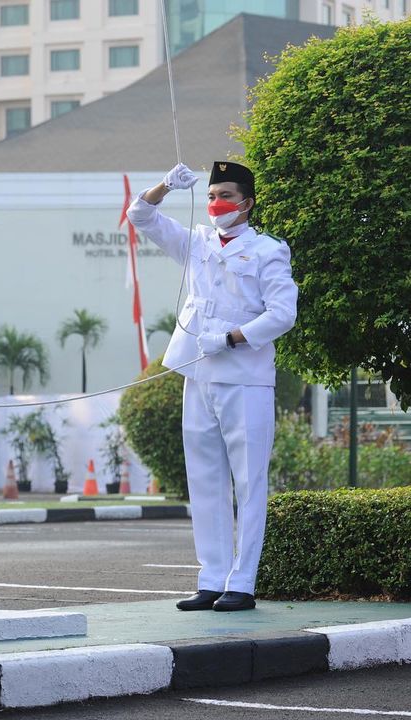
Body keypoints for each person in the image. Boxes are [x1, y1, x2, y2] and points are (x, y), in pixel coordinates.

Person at [127, 161, 297, 613]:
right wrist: (164, 184)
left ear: (247, 204)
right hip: (198, 371)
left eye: (226, 196)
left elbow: (282, 313)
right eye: (211, 195)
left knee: (248, 480)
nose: (216, 204)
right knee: (205, 480)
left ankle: (242, 582)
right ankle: (211, 578)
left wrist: (231, 338)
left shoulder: (266, 251)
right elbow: (138, 216)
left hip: (243, 376)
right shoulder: (197, 241)